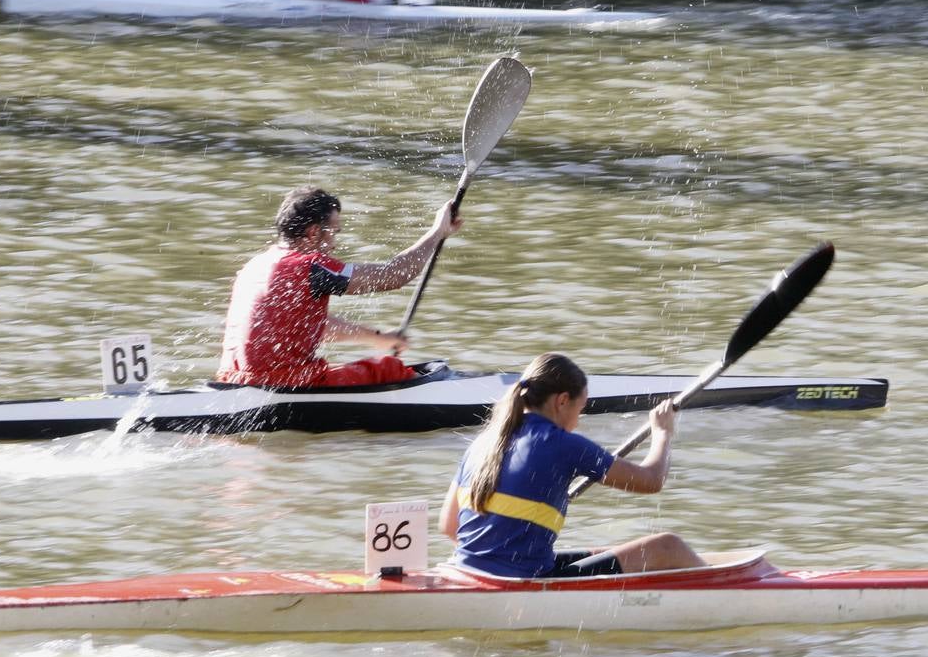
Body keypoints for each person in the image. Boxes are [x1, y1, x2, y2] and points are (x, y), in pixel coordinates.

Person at [439, 352, 705, 578]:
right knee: (668, 547)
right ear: (562, 401)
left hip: (467, 572)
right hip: (523, 581)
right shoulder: (562, 443)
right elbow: (651, 480)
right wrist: (662, 433)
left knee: (601, 553)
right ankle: (729, 595)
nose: (578, 421)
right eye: (580, 410)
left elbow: (449, 526)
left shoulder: (484, 442)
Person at [215, 186, 460, 388]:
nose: (334, 243)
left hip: (234, 380)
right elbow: (394, 275)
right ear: (313, 232)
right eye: (333, 232)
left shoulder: (255, 266)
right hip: (285, 383)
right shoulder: (310, 265)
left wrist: (379, 339)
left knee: (373, 364)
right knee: (388, 369)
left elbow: (311, 326)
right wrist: (437, 232)